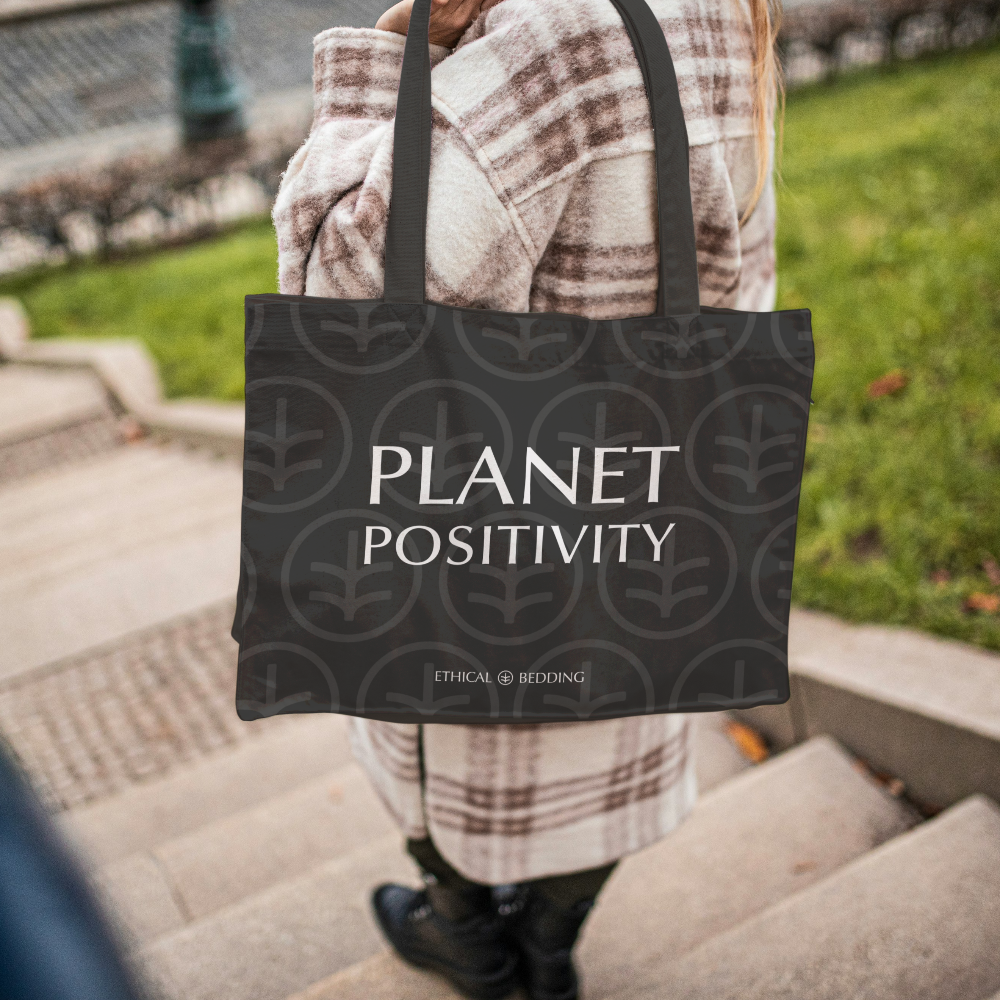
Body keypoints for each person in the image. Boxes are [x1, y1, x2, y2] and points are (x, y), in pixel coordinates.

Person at [273, 0, 780, 996]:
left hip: (479, 511)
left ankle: (466, 933)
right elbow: (738, 269)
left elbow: (344, 300)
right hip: (653, 496)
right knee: (617, 728)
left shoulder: (543, 31)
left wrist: (392, 56)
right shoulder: (723, 9)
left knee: (444, 735)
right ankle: (548, 947)